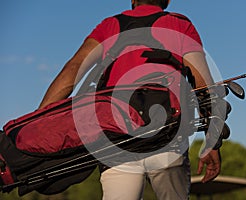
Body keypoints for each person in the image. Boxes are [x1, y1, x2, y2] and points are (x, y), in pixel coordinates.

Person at [38, 0, 226, 199]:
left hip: (116, 138)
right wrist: (212, 140)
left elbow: (73, 69)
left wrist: (38, 121)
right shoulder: (179, 24)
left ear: (133, 0)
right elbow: (203, 83)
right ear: (167, 0)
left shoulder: (109, 26)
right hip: (167, 135)